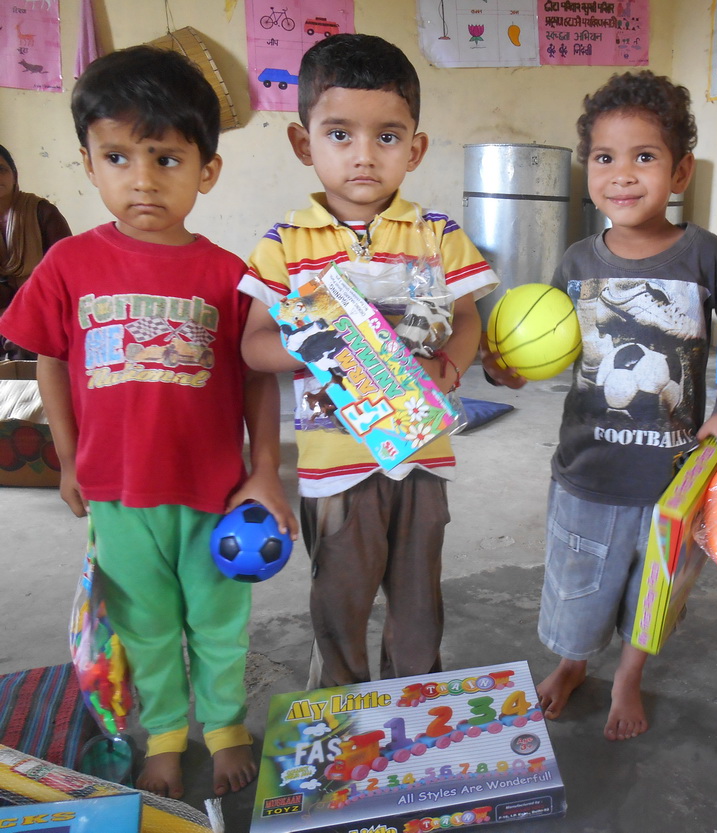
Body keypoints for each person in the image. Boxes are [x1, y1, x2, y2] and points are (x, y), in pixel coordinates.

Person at [0, 46, 297, 799]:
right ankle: (166, 730)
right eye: (118, 155)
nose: (141, 178)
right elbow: (53, 364)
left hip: (217, 494)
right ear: (88, 161)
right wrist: (68, 462)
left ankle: (224, 723)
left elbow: (258, 378)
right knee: (148, 624)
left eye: (165, 157)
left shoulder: (229, 274)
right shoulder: (66, 266)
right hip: (119, 493)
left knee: (220, 618)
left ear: (207, 170)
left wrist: (265, 468)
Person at [483, 70, 717, 741]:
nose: (622, 174)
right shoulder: (578, 261)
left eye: (645, 156)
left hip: (675, 475)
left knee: (654, 592)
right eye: (605, 158)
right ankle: (574, 661)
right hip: (588, 468)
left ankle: (629, 675)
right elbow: (547, 344)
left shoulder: (703, 254)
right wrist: (511, 370)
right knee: (579, 582)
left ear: (680, 171)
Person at [238, 34, 498, 689]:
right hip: (336, 467)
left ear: (415, 147)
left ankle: (412, 692)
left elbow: (468, 317)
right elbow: (253, 345)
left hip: (422, 455)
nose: (363, 155)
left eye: (387, 137)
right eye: (339, 134)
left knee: (417, 599)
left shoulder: (437, 234)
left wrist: (452, 363)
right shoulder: (285, 245)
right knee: (341, 598)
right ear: (305, 144)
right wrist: (313, 338)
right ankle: (344, 695)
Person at [0, 143, 72, 358]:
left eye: (1, 170)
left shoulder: (42, 212)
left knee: (24, 342)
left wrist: (21, 314)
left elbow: (66, 275)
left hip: (42, 307)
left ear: (14, 175)